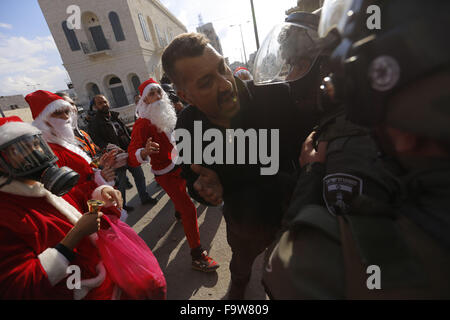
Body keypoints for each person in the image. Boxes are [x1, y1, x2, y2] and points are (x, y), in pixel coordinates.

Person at [264, 0, 450, 299]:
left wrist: (311, 177)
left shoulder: (341, 147)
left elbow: (284, 270)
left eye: (297, 64)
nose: (288, 77)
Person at [162, 32, 317, 298]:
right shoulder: (187, 125)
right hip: (244, 223)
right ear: (185, 96)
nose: (225, 84)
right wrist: (204, 190)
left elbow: (313, 140)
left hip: (293, 211)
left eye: (222, 68)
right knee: (242, 265)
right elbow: (192, 179)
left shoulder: (275, 98)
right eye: (207, 82)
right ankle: (239, 285)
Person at [0, 116, 125, 299]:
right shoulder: (6, 213)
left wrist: (102, 191)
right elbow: (18, 287)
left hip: (103, 282)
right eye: (19, 149)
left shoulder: (39, 184)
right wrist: (74, 237)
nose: (34, 153)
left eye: (35, 144)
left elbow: (74, 198)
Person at [128, 78, 219, 272]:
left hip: (181, 165)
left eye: (159, 92)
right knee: (189, 209)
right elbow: (132, 155)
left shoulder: (169, 113)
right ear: (144, 100)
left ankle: (179, 212)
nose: (157, 96)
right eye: (151, 94)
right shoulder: (142, 124)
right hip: (165, 174)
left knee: (184, 203)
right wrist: (143, 152)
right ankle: (197, 255)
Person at [27, 90, 123, 219]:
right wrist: (99, 178)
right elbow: (63, 193)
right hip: (86, 213)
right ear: (43, 120)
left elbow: (84, 167)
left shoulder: (70, 140)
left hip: (98, 202)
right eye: (57, 113)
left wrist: (99, 165)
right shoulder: (47, 153)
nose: (66, 116)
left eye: (67, 111)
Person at [88, 94, 157, 211]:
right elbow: (97, 141)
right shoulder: (94, 123)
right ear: (95, 107)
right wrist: (110, 148)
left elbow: (126, 131)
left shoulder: (115, 116)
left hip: (129, 152)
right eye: (100, 103)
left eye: (105, 102)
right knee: (121, 183)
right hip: (115, 158)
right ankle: (122, 206)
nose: (104, 105)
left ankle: (144, 197)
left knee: (139, 176)